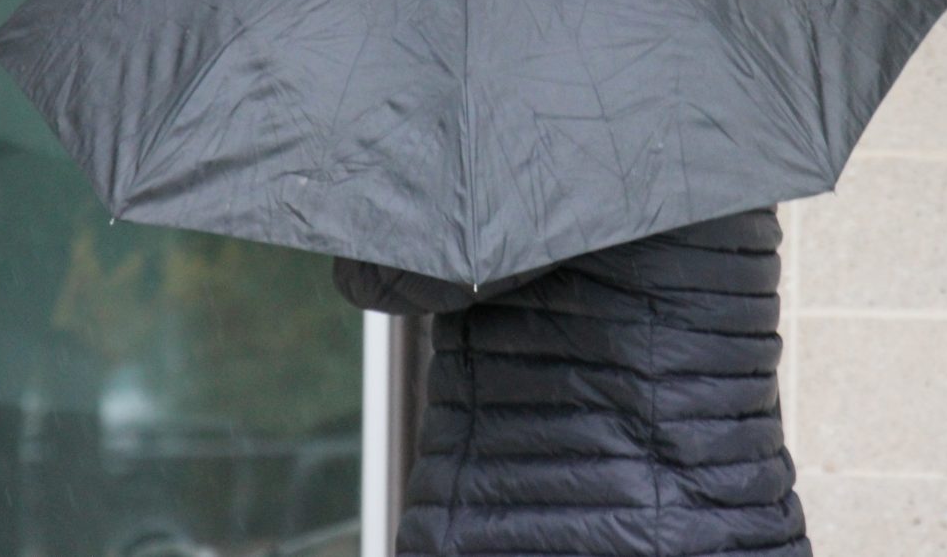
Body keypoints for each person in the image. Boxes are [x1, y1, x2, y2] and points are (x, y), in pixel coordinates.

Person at [332, 204, 812, 557]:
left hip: (580, 524)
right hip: (734, 521)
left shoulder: (575, 132)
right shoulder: (710, 122)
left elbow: (381, 271)